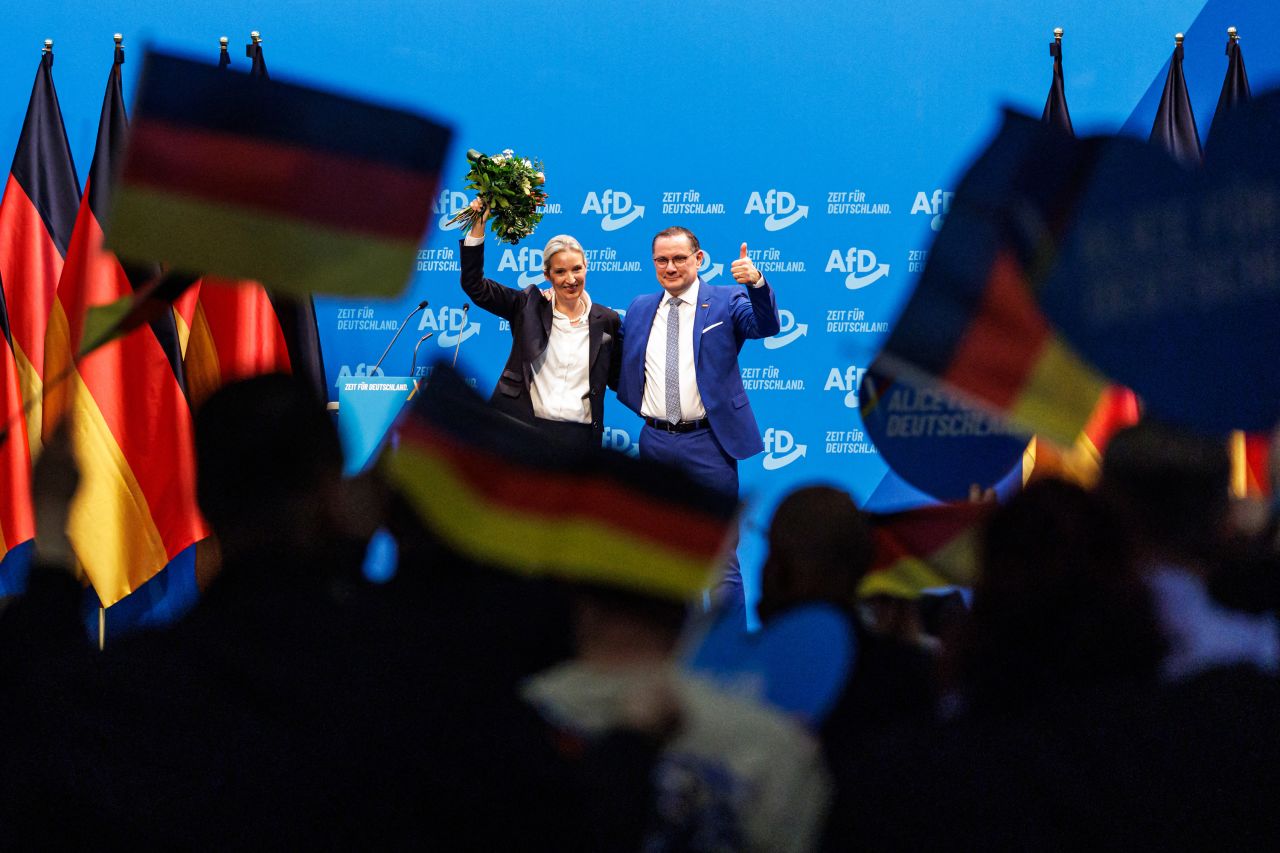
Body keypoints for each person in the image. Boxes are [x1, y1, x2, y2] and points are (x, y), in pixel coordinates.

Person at [616, 226, 781, 611]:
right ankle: (666, 650)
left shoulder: (726, 299)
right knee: (658, 549)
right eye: (661, 260)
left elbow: (766, 326)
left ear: (699, 259)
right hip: (655, 441)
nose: (670, 267)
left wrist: (756, 282)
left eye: (678, 258)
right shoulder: (641, 306)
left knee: (718, 554)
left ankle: (726, 656)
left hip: (708, 443)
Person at [460, 200, 620, 449]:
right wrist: (479, 224)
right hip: (522, 428)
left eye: (577, 269)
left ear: (586, 267)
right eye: (560, 272)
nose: (570, 279)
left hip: (579, 437)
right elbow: (475, 286)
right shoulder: (528, 306)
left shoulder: (607, 320)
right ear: (547, 275)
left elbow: (619, 378)